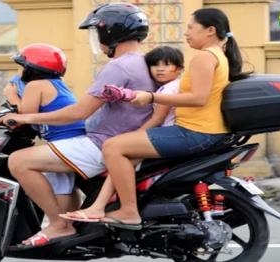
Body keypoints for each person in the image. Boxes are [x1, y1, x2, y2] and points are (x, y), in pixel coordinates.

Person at [0, 3, 154, 248]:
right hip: (122, 141)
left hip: (101, 144)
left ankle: (59, 225)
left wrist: (26, 118)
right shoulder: (144, 62)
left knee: (18, 161)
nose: (97, 40)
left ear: (110, 32)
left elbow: (78, 112)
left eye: (98, 33)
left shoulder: (117, 66)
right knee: (58, 171)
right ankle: (74, 227)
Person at [90, 8, 251, 229]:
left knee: (113, 147)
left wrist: (151, 97)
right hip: (202, 131)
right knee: (125, 147)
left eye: (191, 28)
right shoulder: (217, 55)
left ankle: (129, 211)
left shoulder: (204, 57)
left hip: (194, 133)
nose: (186, 34)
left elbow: (199, 98)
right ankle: (106, 205)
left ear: (210, 30)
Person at [59, 46, 184, 223]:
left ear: (179, 68)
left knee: (118, 160)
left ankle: (108, 208)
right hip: (163, 134)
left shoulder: (170, 89)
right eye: (155, 65)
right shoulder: (166, 87)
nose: (160, 69)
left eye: (167, 65)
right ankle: (102, 206)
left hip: (160, 135)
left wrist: (135, 136)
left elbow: (157, 119)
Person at [3, 43, 85, 209]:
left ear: (33, 69)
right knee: (63, 184)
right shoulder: (55, 84)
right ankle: (72, 226)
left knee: (21, 163)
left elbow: (25, 115)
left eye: (22, 67)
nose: (20, 73)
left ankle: (60, 223)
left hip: (67, 143)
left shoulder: (36, 85)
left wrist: (11, 96)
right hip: (74, 140)